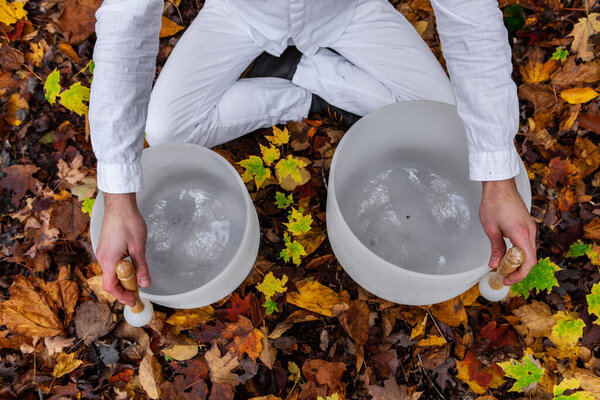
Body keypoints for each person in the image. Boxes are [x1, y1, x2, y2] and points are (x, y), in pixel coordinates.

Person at [90, 0, 538, 307]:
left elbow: (471, 17)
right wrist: (118, 195)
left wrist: (497, 176)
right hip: (241, 12)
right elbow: (127, 22)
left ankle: (307, 70)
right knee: (167, 126)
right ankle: (292, 88)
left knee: (447, 125)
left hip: (349, 10)